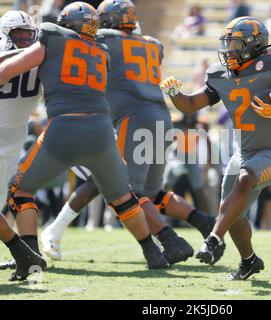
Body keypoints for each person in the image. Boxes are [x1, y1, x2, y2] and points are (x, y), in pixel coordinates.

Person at [41, 0, 220, 264]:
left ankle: (170, 240)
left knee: (126, 191)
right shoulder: (153, 44)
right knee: (153, 193)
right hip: (162, 117)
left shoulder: (103, 38)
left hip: (134, 120)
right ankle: (204, 222)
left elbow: (76, 42)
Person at [0, 2, 170, 271]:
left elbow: (7, 71)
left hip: (64, 129)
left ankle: (29, 256)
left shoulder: (52, 36)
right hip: (102, 131)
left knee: (20, 191)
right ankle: (153, 253)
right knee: (123, 197)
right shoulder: (102, 51)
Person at [160, 16, 271, 279]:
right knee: (232, 214)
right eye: (228, 44)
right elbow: (190, 105)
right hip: (243, 153)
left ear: (253, 45)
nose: (229, 50)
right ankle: (249, 261)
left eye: (236, 44)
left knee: (245, 180)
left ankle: (212, 240)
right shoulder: (222, 76)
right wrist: (175, 95)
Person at [0, 10, 45, 273]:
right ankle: (27, 257)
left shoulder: (26, 57)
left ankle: (27, 257)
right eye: (18, 35)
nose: (24, 40)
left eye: (28, 36)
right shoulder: (40, 56)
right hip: (13, 140)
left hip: (8, 142)